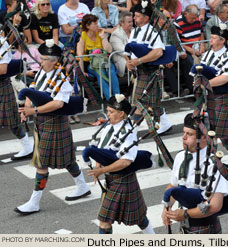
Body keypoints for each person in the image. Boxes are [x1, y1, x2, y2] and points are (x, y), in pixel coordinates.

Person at [14, 40, 91, 215]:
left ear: (53, 60)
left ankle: (35, 201)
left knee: (41, 164)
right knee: (67, 160)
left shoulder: (62, 79)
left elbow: (57, 104)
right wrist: (26, 109)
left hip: (55, 122)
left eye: (44, 58)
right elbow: (32, 88)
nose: (40, 61)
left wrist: (33, 110)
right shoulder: (42, 71)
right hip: (41, 122)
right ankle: (82, 186)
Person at [162, 113, 228, 234]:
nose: (184, 137)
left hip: (205, 228)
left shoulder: (214, 165)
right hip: (184, 227)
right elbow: (173, 185)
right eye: (184, 133)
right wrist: (166, 207)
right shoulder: (181, 156)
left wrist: (185, 214)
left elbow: (215, 205)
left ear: (204, 138)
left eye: (190, 134)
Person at [86, 94, 155, 234]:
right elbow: (102, 149)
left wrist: (102, 170)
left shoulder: (128, 132)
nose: (108, 115)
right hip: (111, 180)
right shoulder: (109, 127)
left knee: (134, 218)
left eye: (111, 112)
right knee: (110, 220)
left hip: (123, 179)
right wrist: (98, 165)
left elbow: (125, 161)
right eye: (107, 111)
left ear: (121, 113)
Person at [125, 0, 172, 135]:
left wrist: (139, 60)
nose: (134, 18)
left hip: (149, 71)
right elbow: (127, 50)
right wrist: (128, 61)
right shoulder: (134, 31)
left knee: (140, 102)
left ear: (146, 18)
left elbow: (158, 52)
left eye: (137, 16)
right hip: (139, 71)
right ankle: (165, 123)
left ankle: (132, 132)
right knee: (153, 101)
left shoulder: (152, 32)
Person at [200, 25, 228, 167]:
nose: (210, 39)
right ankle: (211, 158)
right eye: (210, 37)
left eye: (213, 37)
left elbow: (226, 77)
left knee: (225, 134)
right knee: (210, 131)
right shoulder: (207, 54)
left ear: (222, 40)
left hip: (224, 97)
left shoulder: (227, 57)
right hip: (210, 98)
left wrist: (206, 83)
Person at [0, 35, 33, 161]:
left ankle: (27, 148)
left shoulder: (1, 43)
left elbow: (3, 69)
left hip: (2, 84)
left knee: (11, 119)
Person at [76, 14, 120, 100]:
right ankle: (110, 100)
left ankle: (118, 98)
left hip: (105, 60)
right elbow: (80, 56)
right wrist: (82, 71)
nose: (97, 25)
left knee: (111, 72)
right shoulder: (83, 36)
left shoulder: (99, 33)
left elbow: (109, 50)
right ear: (88, 26)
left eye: (97, 23)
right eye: (95, 24)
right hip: (92, 64)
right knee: (101, 74)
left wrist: (103, 37)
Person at [174, 4, 205, 94]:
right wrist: (192, 50)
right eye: (192, 18)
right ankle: (194, 90)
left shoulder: (197, 18)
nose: (194, 20)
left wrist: (202, 44)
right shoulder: (178, 22)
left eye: (195, 18)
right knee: (189, 62)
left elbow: (201, 33)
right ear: (185, 14)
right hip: (186, 48)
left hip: (199, 45)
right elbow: (177, 42)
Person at [110, 11, 133, 78]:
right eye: (129, 22)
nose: (131, 24)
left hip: (134, 57)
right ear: (121, 23)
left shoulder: (135, 30)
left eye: (132, 21)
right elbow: (123, 52)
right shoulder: (115, 34)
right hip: (122, 60)